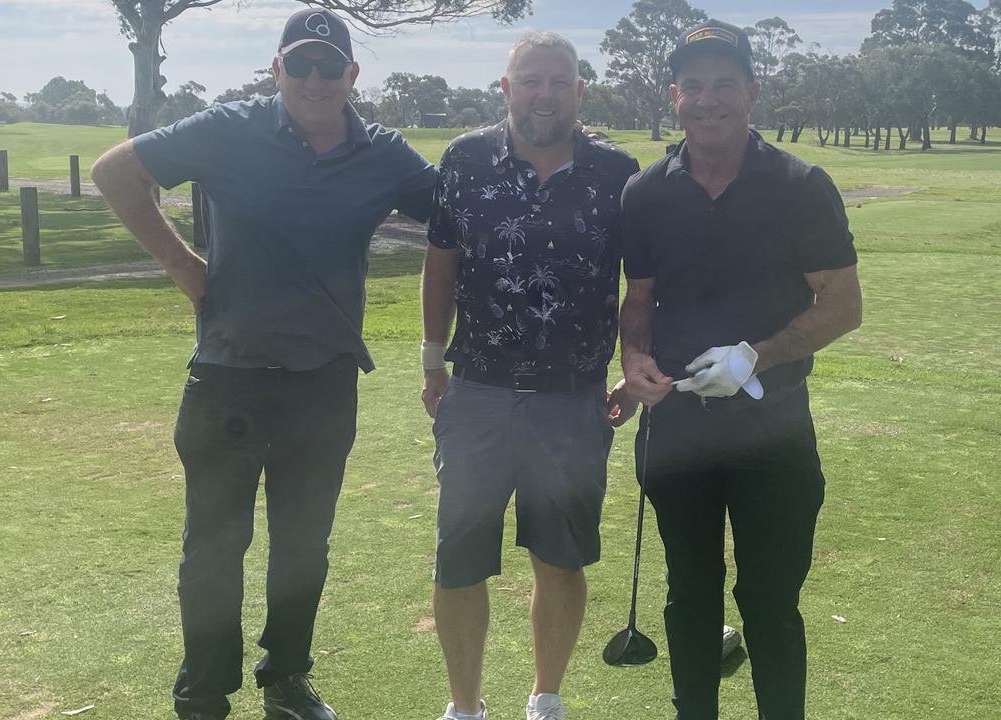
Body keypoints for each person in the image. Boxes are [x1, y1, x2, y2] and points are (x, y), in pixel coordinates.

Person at [90, 9, 437, 720]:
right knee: (215, 547)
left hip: (324, 378)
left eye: (329, 66)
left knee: (304, 546)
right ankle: (204, 691)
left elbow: (461, 210)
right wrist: (183, 265)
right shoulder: (229, 129)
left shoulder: (382, 153)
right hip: (228, 376)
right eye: (300, 65)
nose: (315, 79)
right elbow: (116, 172)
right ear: (276, 70)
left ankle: (284, 679)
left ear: (351, 75)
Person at [618, 20, 863, 720]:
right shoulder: (647, 193)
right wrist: (634, 359)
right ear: (673, 97)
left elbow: (843, 306)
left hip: (774, 429)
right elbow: (638, 301)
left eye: (725, 83)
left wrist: (756, 354)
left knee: (768, 599)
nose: (709, 99)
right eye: (693, 85)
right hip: (678, 431)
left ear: (752, 92)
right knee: (688, 590)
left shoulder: (800, 186)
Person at [419, 31, 641, 720]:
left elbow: (643, 283)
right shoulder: (463, 160)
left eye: (558, 80)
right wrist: (432, 358)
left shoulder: (617, 172)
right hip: (478, 390)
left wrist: (633, 365)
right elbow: (441, 264)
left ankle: (546, 695)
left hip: (572, 398)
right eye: (530, 79)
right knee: (460, 558)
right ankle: (466, 706)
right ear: (507, 88)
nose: (544, 92)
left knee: (559, 555)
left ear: (580, 91)